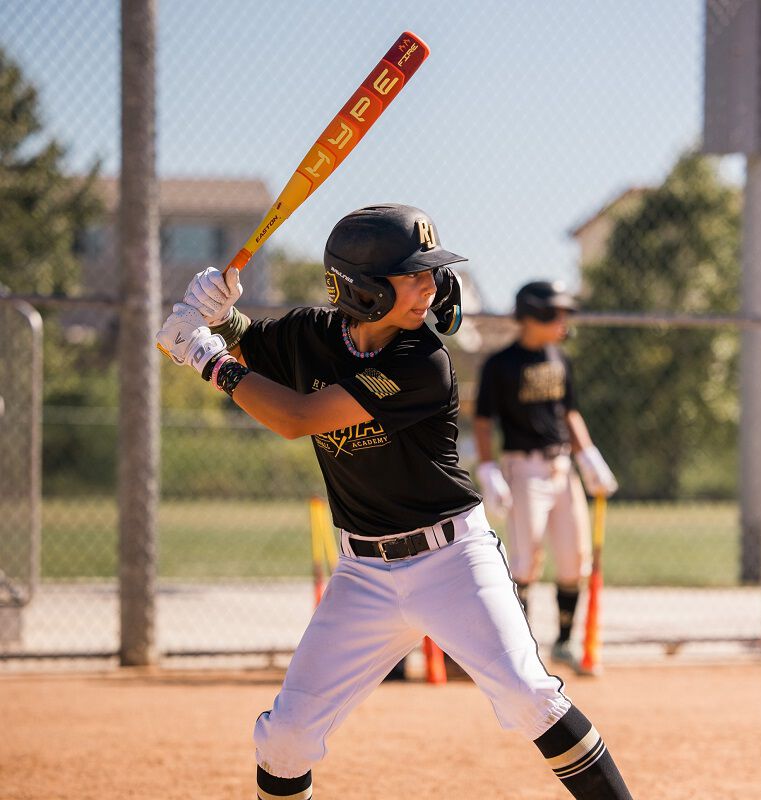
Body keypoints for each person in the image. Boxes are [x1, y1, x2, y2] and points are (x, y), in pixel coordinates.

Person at [156, 205, 633, 799]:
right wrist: (221, 318)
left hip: (452, 561)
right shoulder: (311, 333)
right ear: (360, 289)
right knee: (286, 740)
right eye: (411, 275)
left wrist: (205, 358)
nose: (429, 286)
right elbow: (255, 348)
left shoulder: (423, 361)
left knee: (528, 696)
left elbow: (297, 417)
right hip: (364, 574)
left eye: (431, 273)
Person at [473, 280, 619, 675]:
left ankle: (566, 642)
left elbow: (569, 411)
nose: (563, 322)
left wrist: (588, 455)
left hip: (562, 467)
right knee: (525, 560)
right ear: (533, 314)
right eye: (555, 314)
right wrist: (488, 467)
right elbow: (483, 420)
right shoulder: (501, 364)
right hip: (524, 468)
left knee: (574, 558)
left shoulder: (560, 358)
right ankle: (522, 650)